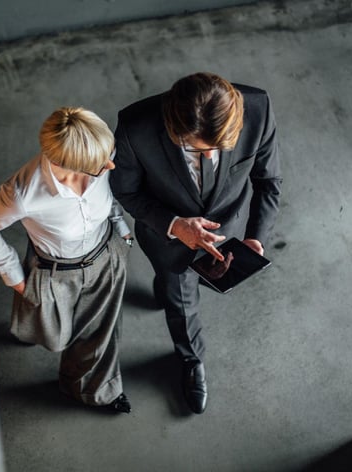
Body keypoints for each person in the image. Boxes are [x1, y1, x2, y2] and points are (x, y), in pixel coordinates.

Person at [110, 72, 282, 414]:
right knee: (180, 300)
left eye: (219, 149)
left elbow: (269, 180)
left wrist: (254, 237)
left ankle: (164, 288)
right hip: (168, 239)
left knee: (173, 291)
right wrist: (174, 225)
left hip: (229, 232)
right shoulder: (135, 126)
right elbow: (125, 189)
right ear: (174, 129)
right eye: (198, 150)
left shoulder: (258, 107)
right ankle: (192, 360)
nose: (211, 157)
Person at [0, 106, 134, 413]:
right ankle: (28, 330)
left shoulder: (98, 164)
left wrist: (121, 230)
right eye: (100, 165)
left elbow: (108, 197)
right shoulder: (23, 193)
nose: (110, 165)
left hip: (106, 256)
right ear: (67, 165)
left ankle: (93, 391)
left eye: (109, 154)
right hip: (55, 273)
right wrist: (16, 279)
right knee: (56, 337)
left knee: (98, 336)